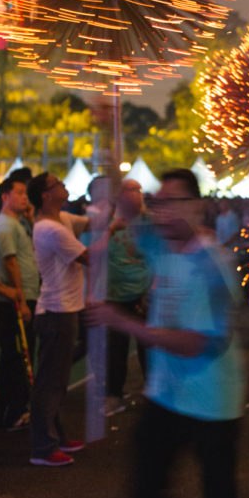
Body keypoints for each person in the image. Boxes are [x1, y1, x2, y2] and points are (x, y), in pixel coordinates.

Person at [86, 168, 249, 498]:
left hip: (212, 402)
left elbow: (198, 343)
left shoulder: (214, 264)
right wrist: (113, 157)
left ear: (198, 206)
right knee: (143, 489)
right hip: (165, 395)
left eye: (171, 203)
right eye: (157, 203)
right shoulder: (160, 242)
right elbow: (126, 208)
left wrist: (123, 322)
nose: (160, 212)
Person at [27, 173, 94, 466]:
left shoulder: (62, 220)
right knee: (50, 381)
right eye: (57, 184)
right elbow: (91, 257)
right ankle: (42, 447)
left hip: (64, 309)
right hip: (56, 312)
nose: (64, 186)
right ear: (45, 194)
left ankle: (56, 436)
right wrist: (115, 229)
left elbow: (90, 223)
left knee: (57, 379)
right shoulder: (50, 230)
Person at [103, 178, 150, 416]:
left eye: (138, 189)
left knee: (149, 348)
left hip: (143, 294)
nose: (136, 194)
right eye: (130, 190)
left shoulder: (149, 222)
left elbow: (157, 258)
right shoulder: (109, 222)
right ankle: (114, 396)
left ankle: (154, 395)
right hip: (116, 295)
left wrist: (152, 288)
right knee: (116, 349)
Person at [0, 176, 39, 431]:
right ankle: (11, 412)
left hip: (23, 297)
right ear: (5, 196)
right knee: (16, 358)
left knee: (19, 356)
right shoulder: (5, 227)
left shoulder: (18, 223)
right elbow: (11, 264)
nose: (25, 197)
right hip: (12, 303)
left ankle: (15, 410)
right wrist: (21, 299)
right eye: (20, 193)